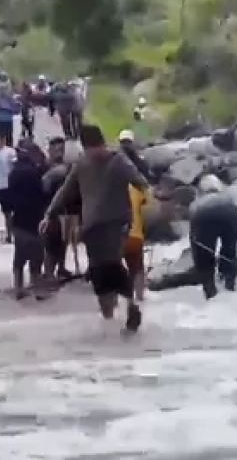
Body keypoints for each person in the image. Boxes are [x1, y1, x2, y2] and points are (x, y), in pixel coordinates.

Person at [41, 124, 148, 328]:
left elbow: (139, 181)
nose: (96, 153)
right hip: (91, 227)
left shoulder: (118, 161)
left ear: (103, 144)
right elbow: (65, 191)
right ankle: (108, 318)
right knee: (98, 271)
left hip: (116, 224)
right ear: (85, 147)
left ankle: (130, 305)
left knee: (113, 265)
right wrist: (49, 214)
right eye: (91, 149)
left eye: (98, 147)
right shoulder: (82, 164)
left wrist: (151, 195)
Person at [3, 142, 48, 299]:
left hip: (19, 219)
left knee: (20, 255)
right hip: (34, 218)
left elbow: (8, 197)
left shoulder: (14, 173)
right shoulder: (35, 172)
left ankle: (18, 288)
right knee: (37, 256)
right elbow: (42, 195)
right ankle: (38, 290)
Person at [188, 175, 237, 299]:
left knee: (204, 254)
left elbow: (194, 239)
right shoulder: (227, 197)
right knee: (229, 249)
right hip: (231, 213)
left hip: (204, 214)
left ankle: (210, 290)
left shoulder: (198, 202)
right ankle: (229, 283)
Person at [41, 137, 72, 279]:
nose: (59, 153)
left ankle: (61, 267)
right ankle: (48, 273)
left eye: (62, 150)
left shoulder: (68, 167)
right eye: (56, 150)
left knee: (63, 241)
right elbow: (43, 189)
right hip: (49, 210)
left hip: (65, 210)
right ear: (50, 151)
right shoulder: (46, 167)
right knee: (50, 243)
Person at [125, 182, 149, 304]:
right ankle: (140, 300)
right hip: (135, 235)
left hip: (113, 238)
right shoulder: (136, 188)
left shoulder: (108, 188)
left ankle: (122, 301)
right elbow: (146, 210)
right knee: (138, 269)